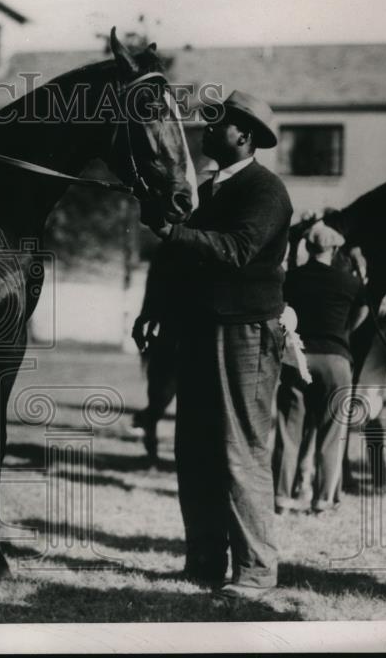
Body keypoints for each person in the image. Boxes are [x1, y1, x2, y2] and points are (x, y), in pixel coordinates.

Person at [143, 90, 292, 602]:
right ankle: (205, 561)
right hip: (201, 328)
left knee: (239, 449)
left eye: (217, 124)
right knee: (196, 449)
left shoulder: (265, 190)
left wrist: (172, 232)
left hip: (246, 331)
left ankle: (254, 572)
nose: (205, 132)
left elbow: (236, 250)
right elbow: (178, 259)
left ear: (244, 136)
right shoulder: (205, 189)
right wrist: (154, 309)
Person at [273, 223, 369, 514]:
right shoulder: (350, 283)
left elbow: (281, 312)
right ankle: (324, 500)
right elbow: (364, 310)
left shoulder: (292, 279)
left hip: (299, 357)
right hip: (336, 358)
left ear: (308, 247)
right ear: (335, 249)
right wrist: (344, 333)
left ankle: (281, 497)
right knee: (331, 432)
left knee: (289, 430)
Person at [130, 241, 181, 464]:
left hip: (198, 334)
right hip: (170, 335)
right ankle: (151, 442)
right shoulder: (166, 251)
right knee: (161, 396)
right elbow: (153, 292)